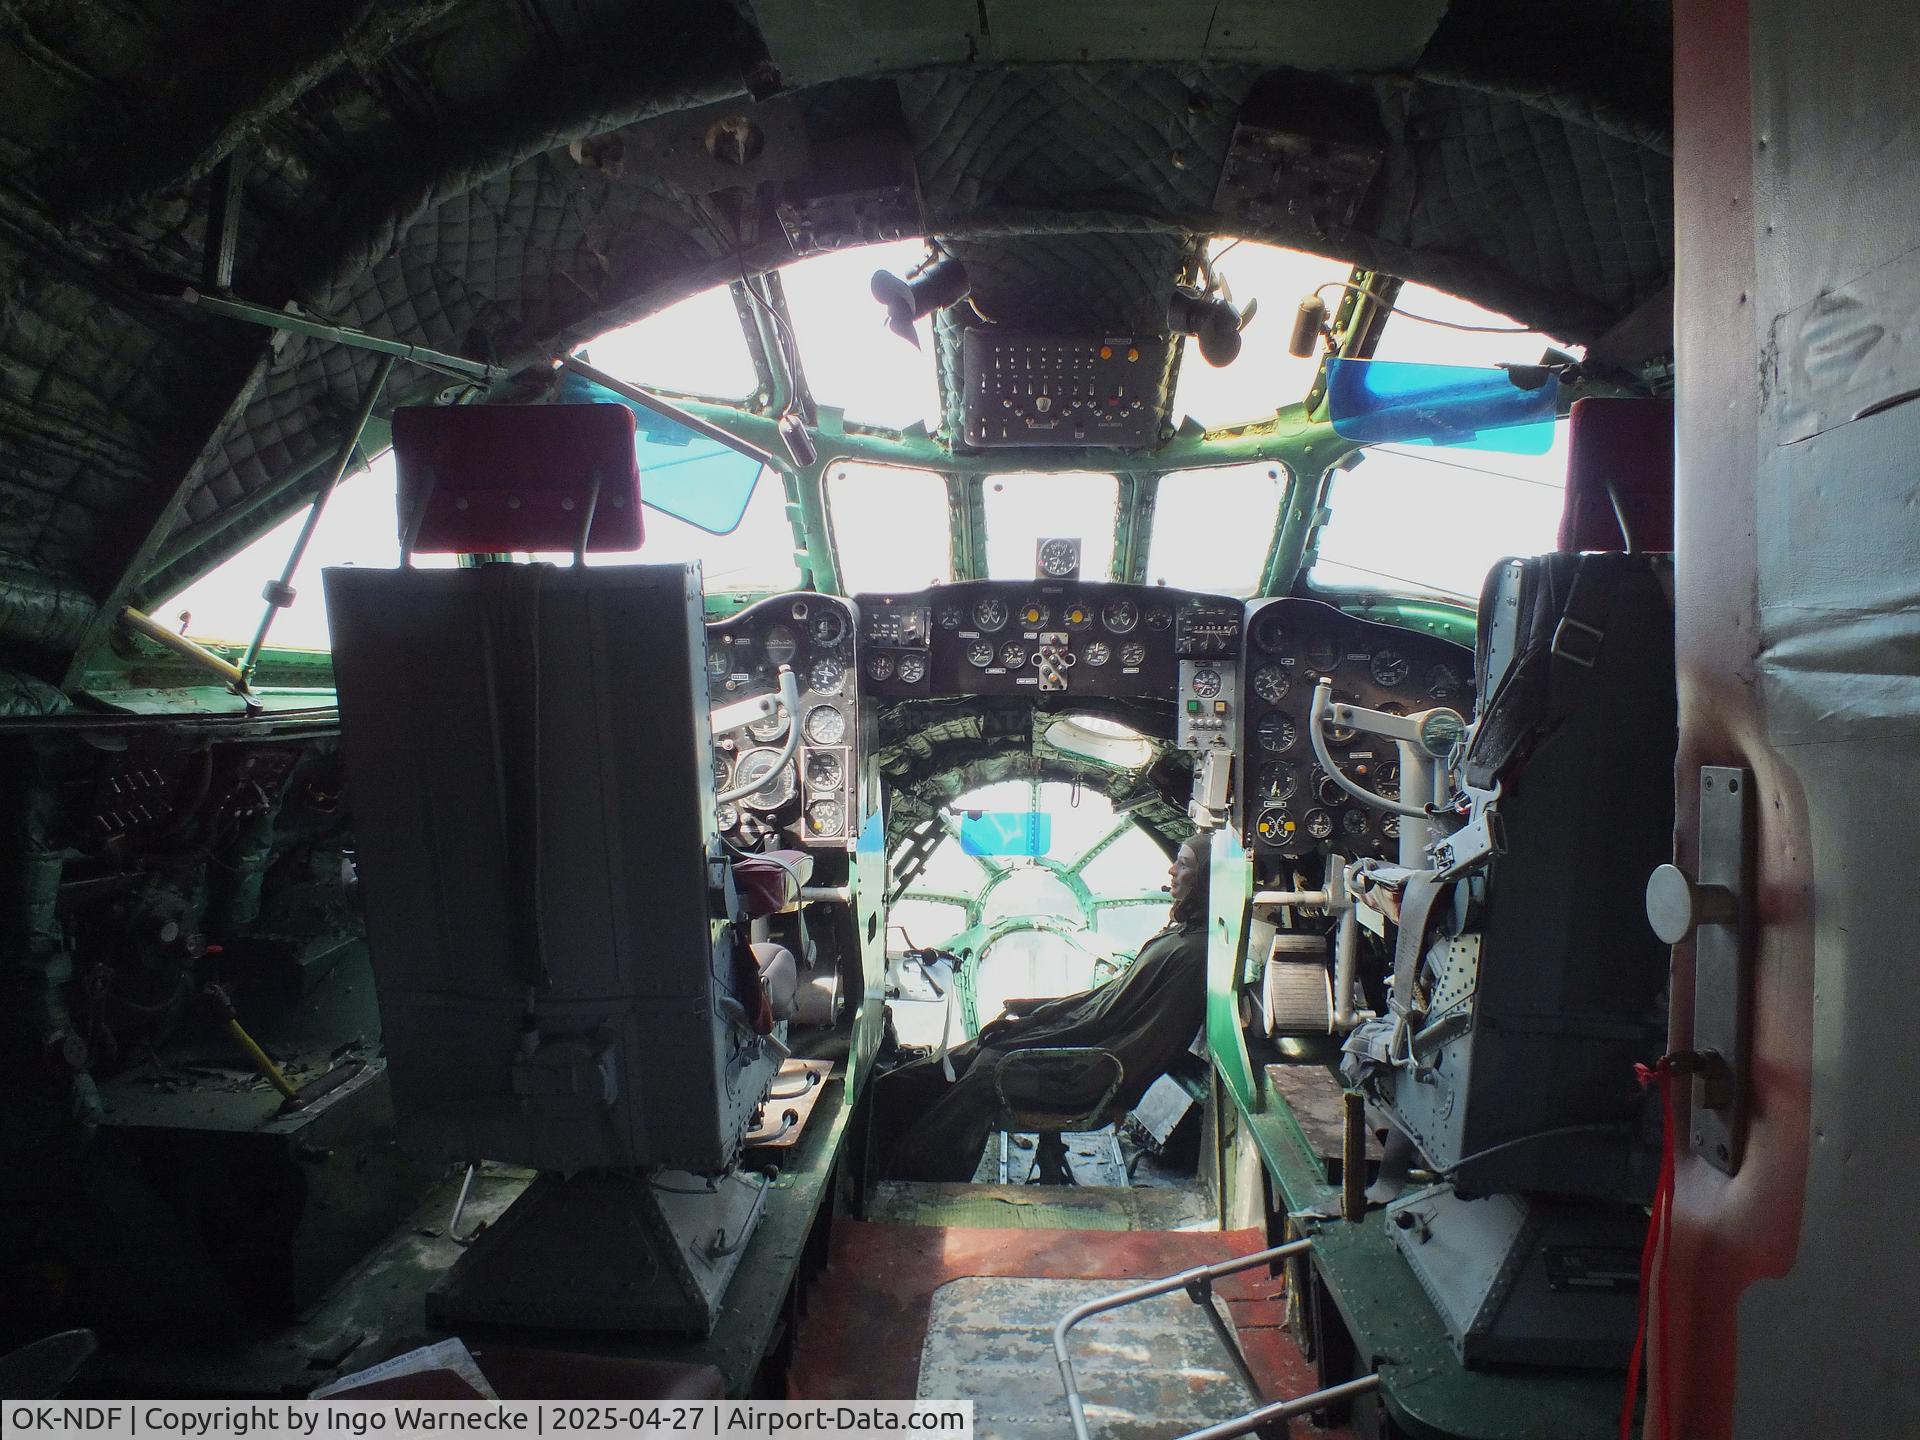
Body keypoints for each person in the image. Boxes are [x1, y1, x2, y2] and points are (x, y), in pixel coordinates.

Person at [873, 835, 1212, 1182]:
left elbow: (1119, 1027)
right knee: (965, 1058)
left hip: (1094, 1072)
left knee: (988, 1071)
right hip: (1090, 1053)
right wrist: (1035, 1010)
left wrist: (1029, 1027)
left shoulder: (1191, 954)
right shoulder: (1179, 937)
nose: (1172, 869)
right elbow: (1104, 1001)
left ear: (1206, 879)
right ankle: (880, 1124)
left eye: (1184, 864)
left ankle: (916, 1180)